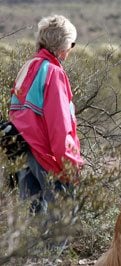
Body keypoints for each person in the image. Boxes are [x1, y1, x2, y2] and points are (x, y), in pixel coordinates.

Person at [8, 14, 83, 214]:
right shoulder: (53, 73)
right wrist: (70, 165)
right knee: (62, 221)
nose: (71, 49)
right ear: (62, 46)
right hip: (46, 157)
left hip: (24, 153)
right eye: (71, 44)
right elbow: (60, 127)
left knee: (34, 222)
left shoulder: (29, 66)